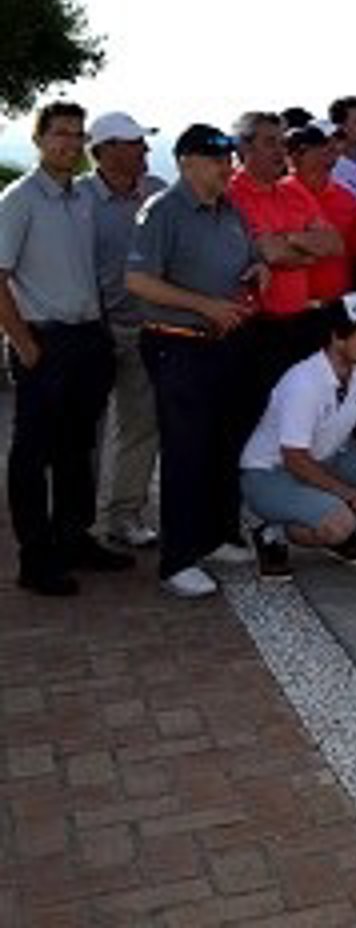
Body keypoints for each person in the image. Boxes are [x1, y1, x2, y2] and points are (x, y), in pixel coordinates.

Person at [127, 124, 270, 599]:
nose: (226, 167)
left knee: (223, 445)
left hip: (227, 343)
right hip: (178, 344)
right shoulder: (163, 211)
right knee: (186, 451)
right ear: (186, 162)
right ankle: (178, 559)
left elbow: (251, 255)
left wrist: (259, 268)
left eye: (228, 159)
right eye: (215, 160)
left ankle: (217, 535)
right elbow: (139, 281)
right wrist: (204, 305)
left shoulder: (230, 209)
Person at [0, 102, 128, 596]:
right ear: (39, 139)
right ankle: (35, 559)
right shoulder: (20, 200)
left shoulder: (81, 199)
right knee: (32, 455)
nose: (70, 143)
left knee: (77, 449)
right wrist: (25, 345)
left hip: (87, 339)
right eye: (60, 134)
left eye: (78, 135)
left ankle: (73, 539)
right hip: (44, 341)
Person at [238, 293, 356, 577]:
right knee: (339, 524)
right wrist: (350, 495)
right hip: (271, 472)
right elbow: (294, 458)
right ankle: (272, 531)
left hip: (325, 460)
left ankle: (324, 516)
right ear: (337, 337)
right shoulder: (304, 382)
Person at [81, 112, 167, 551]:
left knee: (140, 426)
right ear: (106, 150)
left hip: (143, 328)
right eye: (135, 143)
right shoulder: (78, 197)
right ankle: (78, 522)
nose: (145, 150)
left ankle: (124, 516)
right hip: (90, 331)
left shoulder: (157, 192)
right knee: (85, 432)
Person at [228, 111, 344, 391]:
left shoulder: (293, 190)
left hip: (301, 320)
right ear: (245, 147)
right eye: (270, 142)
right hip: (257, 325)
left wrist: (288, 238)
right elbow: (272, 254)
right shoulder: (233, 193)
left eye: (282, 142)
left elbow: (334, 244)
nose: (280, 151)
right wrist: (309, 251)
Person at [286, 123, 356, 309]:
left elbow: (353, 254)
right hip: (294, 305)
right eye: (321, 145)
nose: (330, 149)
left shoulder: (347, 198)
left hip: (338, 302)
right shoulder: (278, 194)